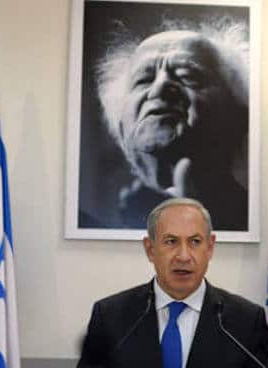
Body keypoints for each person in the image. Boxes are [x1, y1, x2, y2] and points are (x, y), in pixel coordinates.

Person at [69, 198, 268, 368]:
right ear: (150, 249)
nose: (183, 256)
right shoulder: (110, 317)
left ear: (210, 247)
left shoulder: (245, 321)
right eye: (171, 241)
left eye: (195, 242)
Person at [94, 21, 249, 230]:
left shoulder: (251, 221)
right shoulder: (97, 223)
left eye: (187, 76)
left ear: (237, 117)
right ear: (120, 129)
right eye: (143, 80)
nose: (161, 86)